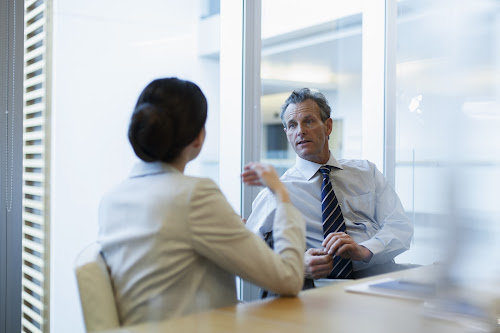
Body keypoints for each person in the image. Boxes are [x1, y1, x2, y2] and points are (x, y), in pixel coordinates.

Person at [97, 78, 305, 326]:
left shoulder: (111, 200)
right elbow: (288, 278)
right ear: (198, 138)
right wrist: (280, 193)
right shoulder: (194, 195)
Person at [246, 88, 413, 289]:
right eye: (292, 125)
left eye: (308, 121)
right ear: (287, 133)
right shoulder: (277, 191)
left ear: (328, 126)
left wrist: (364, 250)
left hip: (379, 276)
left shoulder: (366, 172)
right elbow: (247, 254)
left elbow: (400, 226)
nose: (300, 131)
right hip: (323, 288)